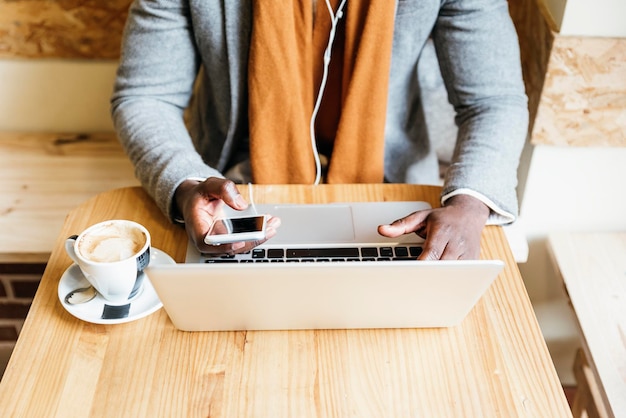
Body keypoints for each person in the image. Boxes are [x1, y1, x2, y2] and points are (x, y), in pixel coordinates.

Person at [111, 0, 528, 260]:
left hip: (390, 193)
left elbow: (493, 99)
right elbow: (146, 95)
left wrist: (471, 203)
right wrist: (187, 184)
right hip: (233, 193)